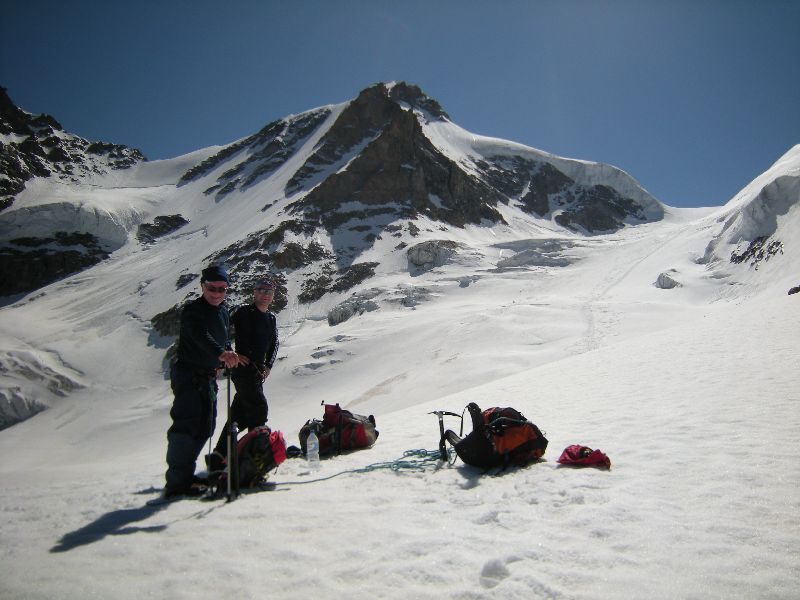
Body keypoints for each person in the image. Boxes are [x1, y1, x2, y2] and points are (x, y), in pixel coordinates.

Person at [162, 265, 248, 498]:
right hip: (189, 376)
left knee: (205, 426)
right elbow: (201, 336)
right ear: (203, 286)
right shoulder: (193, 311)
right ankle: (176, 482)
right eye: (212, 288)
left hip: (208, 377)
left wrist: (227, 351)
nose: (217, 293)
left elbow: (221, 338)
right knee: (186, 425)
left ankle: (186, 477)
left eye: (222, 289)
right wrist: (221, 353)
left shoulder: (222, 311)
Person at [206, 276, 280, 471]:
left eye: (269, 292)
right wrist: (232, 352)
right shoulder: (243, 312)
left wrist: (268, 365)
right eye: (261, 290)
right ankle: (254, 456)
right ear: (254, 292)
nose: (265, 295)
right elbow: (220, 328)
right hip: (243, 370)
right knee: (258, 408)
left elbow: (274, 343)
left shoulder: (270, 318)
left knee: (239, 414)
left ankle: (219, 456)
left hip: (257, 372)